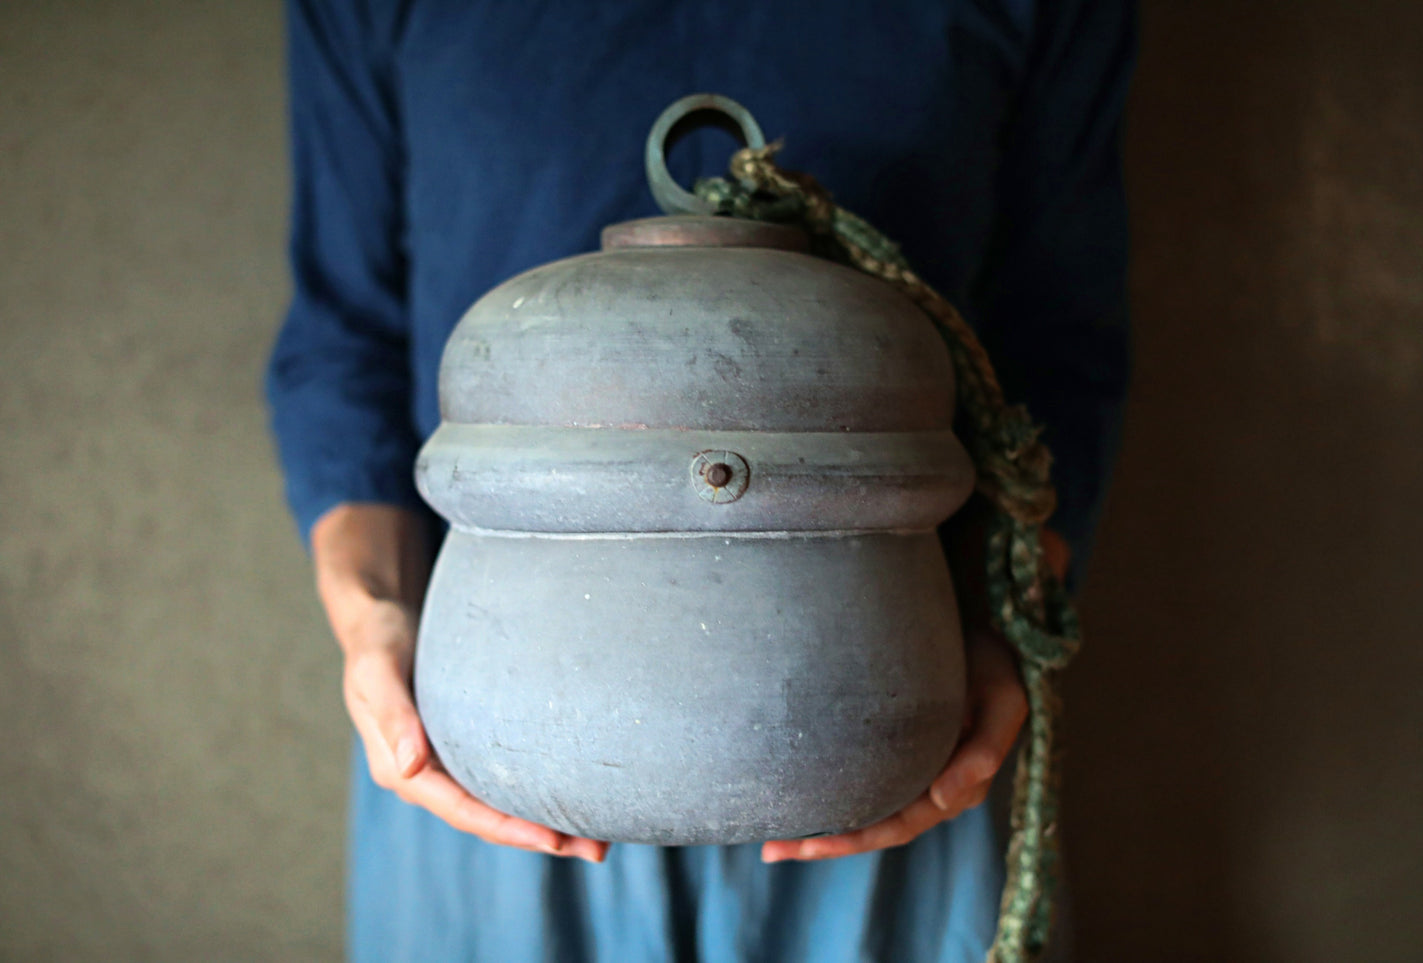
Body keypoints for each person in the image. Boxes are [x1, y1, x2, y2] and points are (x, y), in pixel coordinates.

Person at [266, 1, 1135, 960]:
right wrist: (371, 613)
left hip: (889, 735)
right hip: (489, 745)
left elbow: (1061, 349)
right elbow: (342, 339)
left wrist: (1005, 621)